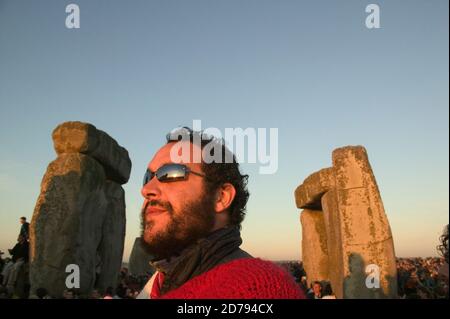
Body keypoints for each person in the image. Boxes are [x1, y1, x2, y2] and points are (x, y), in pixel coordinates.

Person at [137, 128, 305, 299]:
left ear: (221, 197)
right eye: (148, 177)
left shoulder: (262, 290)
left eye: (170, 172)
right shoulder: (155, 285)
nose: (146, 189)